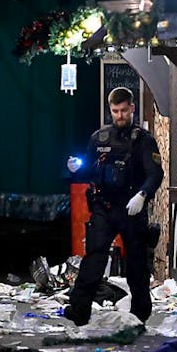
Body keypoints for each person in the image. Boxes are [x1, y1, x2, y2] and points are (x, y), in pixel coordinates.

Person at [64, 87, 163, 325]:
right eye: (115, 111)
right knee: (93, 260)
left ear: (132, 108)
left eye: (123, 111)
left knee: (137, 265)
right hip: (104, 208)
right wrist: (77, 169)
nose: (119, 116)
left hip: (131, 209)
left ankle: (140, 315)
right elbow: (90, 169)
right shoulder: (99, 138)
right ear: (110, 110)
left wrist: (142, 195)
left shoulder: (143, 140)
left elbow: (155, 173)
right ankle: (79, 311)